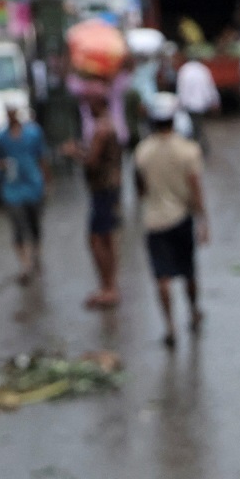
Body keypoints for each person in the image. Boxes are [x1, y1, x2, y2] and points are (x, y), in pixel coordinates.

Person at [135, 94, 207, 347]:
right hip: (181, 219)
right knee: (188, 271)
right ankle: (194, 312)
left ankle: (169, 326)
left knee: (161, 277)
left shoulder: (142, 151)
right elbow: (195, 188)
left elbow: (140, 190)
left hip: (154, 221)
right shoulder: (188, 151)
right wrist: (203, 220)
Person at [69, 86, 126, 310]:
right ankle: (110, 285)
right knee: (107, 238)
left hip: (103, 189)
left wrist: (75, 153)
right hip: (110, 188)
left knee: (96, 240)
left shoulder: (101, 129)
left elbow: (92, 161)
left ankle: (108, 287)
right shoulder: (110, 124)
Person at [0, 106, 49, 284]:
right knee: (18, 228)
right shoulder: (0, 137)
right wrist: (4, 165)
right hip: (12, 189)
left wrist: (46, 181)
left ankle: (36, 255)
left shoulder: (33, 133)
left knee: (35, 225)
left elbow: (42, 157)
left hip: (33, 186)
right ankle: (26, 264)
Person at [176, 53, 219, 155]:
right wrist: (214, 100)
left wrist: (180, 102)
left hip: (189, 104)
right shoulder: (203, 70)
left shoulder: (184, 70)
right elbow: (210, 87)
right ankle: (199, 147)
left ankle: (196, 148)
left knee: (193, 127)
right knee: (197, 126)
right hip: (200, 104)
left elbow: (181, 88)